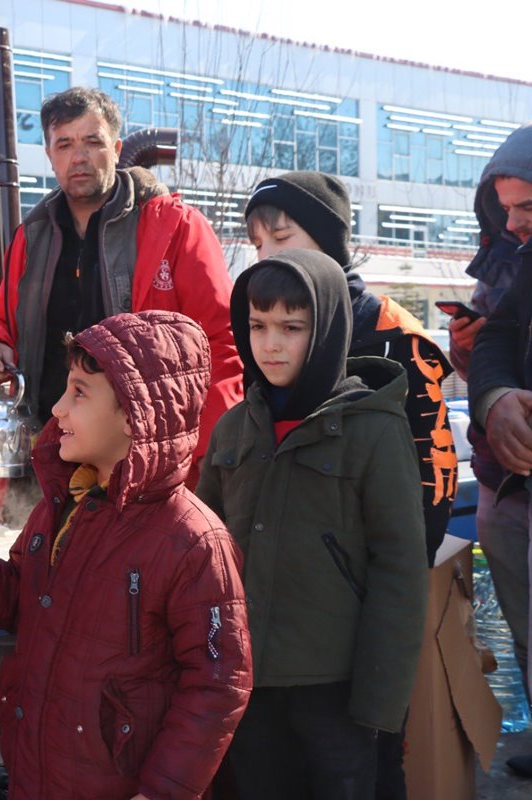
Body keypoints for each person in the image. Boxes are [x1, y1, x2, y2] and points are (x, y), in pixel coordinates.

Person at [0, 311, 253, 799]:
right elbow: (23, 599)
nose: (58, 409)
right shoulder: (63, 508)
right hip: (41, 772)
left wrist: (161, 791)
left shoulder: (192, 540)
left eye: (79, 392)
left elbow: (218, 683)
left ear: (135, 415)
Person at [242, 170, 457, 797]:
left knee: (365, 768)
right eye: (257, 244)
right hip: (279, 637)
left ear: (331, 243)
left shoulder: (393, 337)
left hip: (358, 628)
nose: (267, 256)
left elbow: (428, 495)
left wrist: (372, 613)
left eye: (281, 237)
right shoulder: (268, 334)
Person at [196, 250, 427, 799]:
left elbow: (399, 568)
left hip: (339, 689)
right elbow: (204, 553)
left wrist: (380, 701)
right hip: (249, 681)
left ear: (325, 331)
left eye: (291, 328)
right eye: (257, 325)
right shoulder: (234, 430)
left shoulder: (371, 430)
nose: (270, 344)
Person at [0, 87, 241, 477]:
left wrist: (201, 461)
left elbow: (223, 345)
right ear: (49, 155)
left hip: (147, 465)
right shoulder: (30, 236)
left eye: (92, 141)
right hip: (50, 461)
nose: (78, 156)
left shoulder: (174, 227)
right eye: (64, 144)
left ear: (115, 147)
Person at [463, 124, 532, 777]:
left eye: (528, 208)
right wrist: (495, 398)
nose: (514, 228)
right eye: (505, 210)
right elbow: (495, 342)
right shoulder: (522, 261)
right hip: (511, 487)